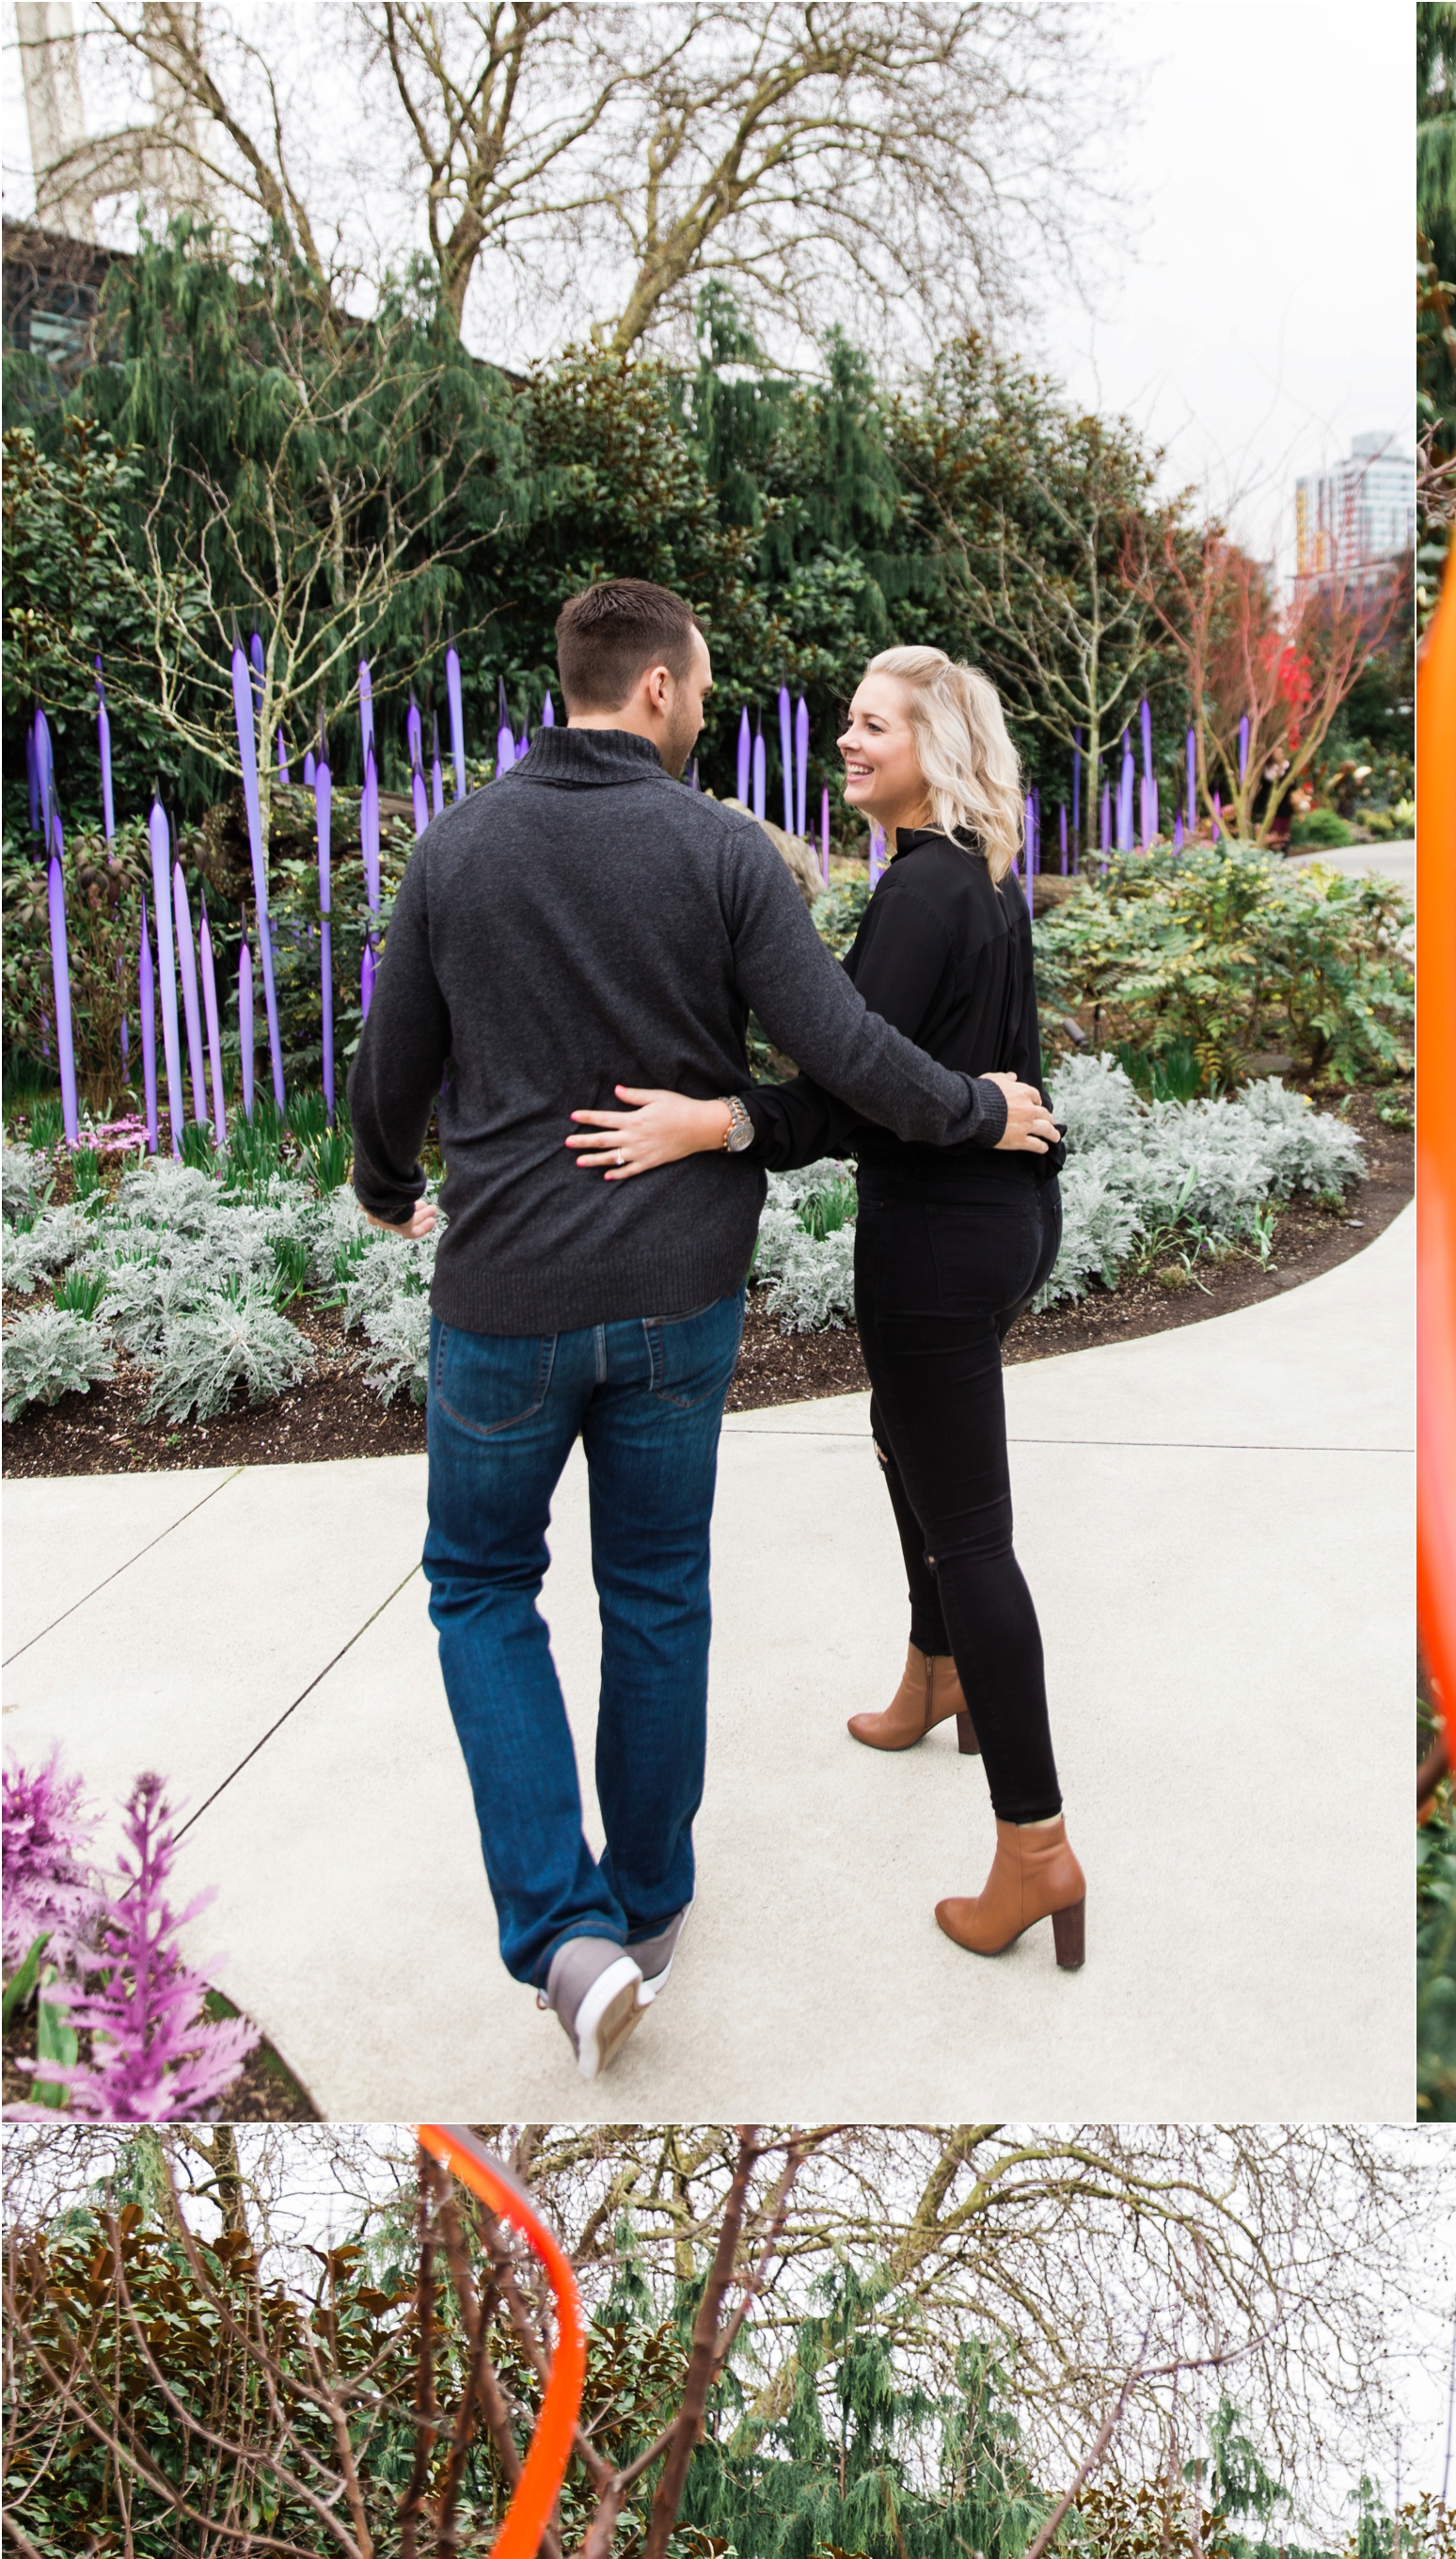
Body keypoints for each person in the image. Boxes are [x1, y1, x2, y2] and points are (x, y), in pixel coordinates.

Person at [347, 578, 1058, 2076]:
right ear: (660, 689)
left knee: (481, 1586)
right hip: (677, 1303)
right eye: (707, 686)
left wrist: (385, 1185)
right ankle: (651, 1911)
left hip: (505, 1304)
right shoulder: (725, 855)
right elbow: (851, 1048)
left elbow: (389, 1066)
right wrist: (978, 1105)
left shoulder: (457, 848)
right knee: (657, 1588)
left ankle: (566, 1931)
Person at [569, 649, 1086, 1972]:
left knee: (973, 1531)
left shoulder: (917, 895)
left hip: (936, 1237)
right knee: (898, 1436)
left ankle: (1032, 1845)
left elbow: (845, 1096)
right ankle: (935, 1673)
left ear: (931, 744)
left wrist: (711, 1122)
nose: (845, 743)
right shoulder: (970, 875)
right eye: (847, 723)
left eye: (871, 726)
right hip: (1005, 1220)